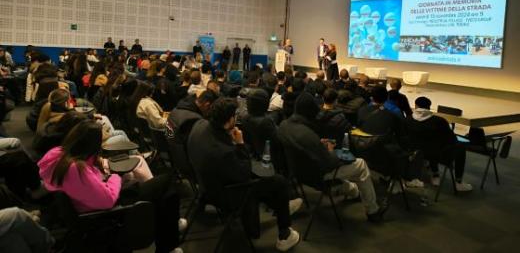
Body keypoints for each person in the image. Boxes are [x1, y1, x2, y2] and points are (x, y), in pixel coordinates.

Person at [38, 121, 183, 253]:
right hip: (108, 214)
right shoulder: (76, 169)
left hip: (92, 205)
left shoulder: (57, 154)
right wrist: (115, 177)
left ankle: (167, 226)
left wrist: (106, 176)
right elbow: (107, 200)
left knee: (153, 186)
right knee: (166, 184)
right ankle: (167, 244)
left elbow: (88, 185)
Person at [187, 98, 301, 251]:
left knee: (267, 182)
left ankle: (281, 206)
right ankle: (284, 234)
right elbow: (244, 174)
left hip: (205, 184)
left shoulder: (199, 125)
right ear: (229, 120)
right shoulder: (223, 152)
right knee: (278, 182)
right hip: (226, 194)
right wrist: (240, 144)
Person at [278, 92, 385, 222]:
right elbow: (328, 162)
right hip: (316, 175)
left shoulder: (284, 125)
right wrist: (330, 150)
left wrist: (319, 145)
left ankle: (354, 192)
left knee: (350, 176)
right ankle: (373, 210)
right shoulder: (306, 134)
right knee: (361, 164)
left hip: (297, 172)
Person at [407, 97, 472, 191]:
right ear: (429, 107)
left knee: (430, 145)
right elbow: (451, 139)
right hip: (436, 154)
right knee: (460, 148)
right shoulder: (439, 121)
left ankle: (435, 173)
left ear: (416, 106)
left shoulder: (408, 120)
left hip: (414, 153)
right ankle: (458, 182)